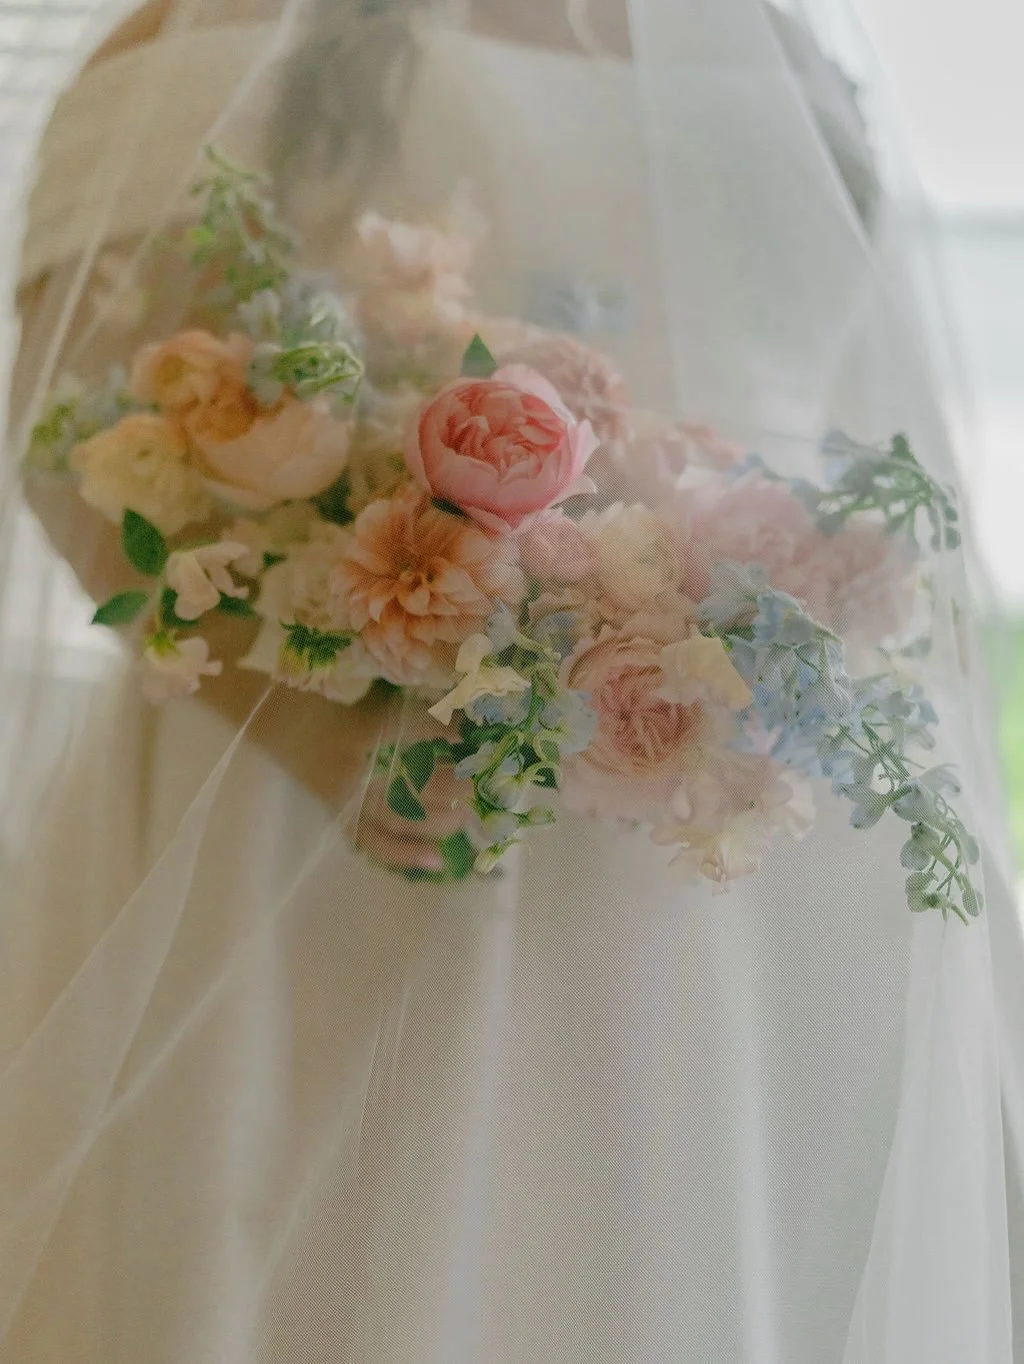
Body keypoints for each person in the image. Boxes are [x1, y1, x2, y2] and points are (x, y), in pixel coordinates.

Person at [2, 3, 1022, 1361]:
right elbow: (75, 435)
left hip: (786, 871)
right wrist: (325, 735)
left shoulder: (782, 49)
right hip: (378, 829)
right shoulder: (226, 23)